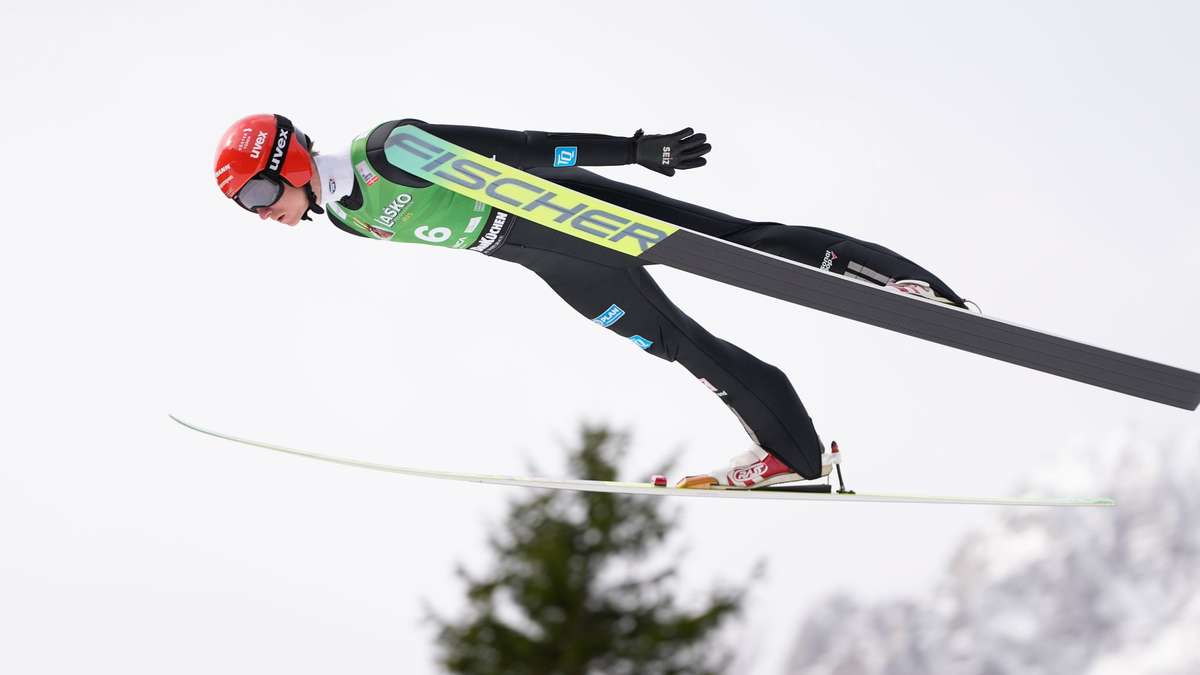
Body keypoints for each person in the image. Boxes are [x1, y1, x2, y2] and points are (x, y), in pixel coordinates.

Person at [213, 114, 966, 489]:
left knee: (738, 243)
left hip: (565, 209)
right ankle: (794, 455)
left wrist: (633, 150)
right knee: (678, 345)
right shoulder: (346, 218)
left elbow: (520, 148)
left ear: (290, 160)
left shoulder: (390, 151)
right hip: (546, 260)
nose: (260, 213)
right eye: (246, 207)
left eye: (256, 193)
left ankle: (903, 286)